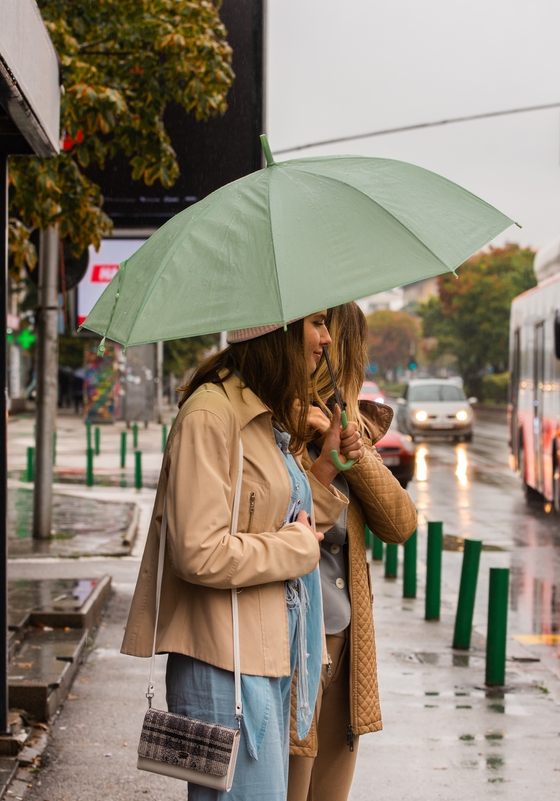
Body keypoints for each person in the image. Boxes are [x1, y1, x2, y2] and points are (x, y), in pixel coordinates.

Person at [120, 310, 361, 800]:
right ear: (277, 332)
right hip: (222, 663)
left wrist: (325, 470)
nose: (326, 338)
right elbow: (199, 551)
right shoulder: (211, 415)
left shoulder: (261, 418)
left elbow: (281, 518)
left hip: (265, 653)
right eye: (315, 323)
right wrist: (297, 548)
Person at [288, 303, 418, 801]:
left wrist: (349, 447)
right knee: (288, 785)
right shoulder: (278, 421)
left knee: (329, 789)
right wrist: (310, 444)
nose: (324, 343)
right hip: (293, 637)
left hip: (344, 640)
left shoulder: (350, 426)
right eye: (318, 330)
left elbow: (400, 524)